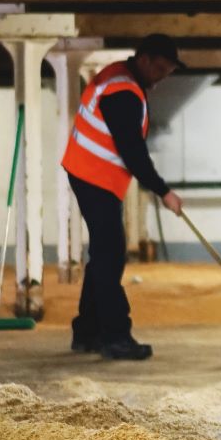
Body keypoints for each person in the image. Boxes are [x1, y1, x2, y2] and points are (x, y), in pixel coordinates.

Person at [62, 33, 186, 361]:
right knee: (111, 256)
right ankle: (115, 337)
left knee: (104, 254)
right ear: (143, 59)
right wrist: (164, 191)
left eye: (167, 71)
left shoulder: (120, 76)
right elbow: (132, 151)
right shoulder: (123, 91)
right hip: (93, 175)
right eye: (158, 68)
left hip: (91, 173)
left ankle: (87, 332)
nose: (161, 76)